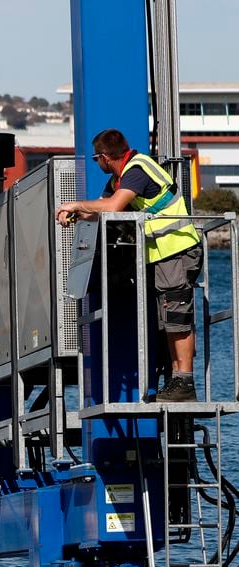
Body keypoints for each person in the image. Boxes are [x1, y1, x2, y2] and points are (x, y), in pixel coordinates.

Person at [56, 127, 203, 402]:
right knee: (168, 318)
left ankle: (185, 382)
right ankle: (176, 381)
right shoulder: (120, 178)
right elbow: (101, 208)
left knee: (178, 317)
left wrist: (74, 204)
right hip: (164, 254)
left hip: (178, 248)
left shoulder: (136, 169)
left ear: (104, 157)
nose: (96, 163)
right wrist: (74, 215)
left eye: (95, 159)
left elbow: (112, 206)